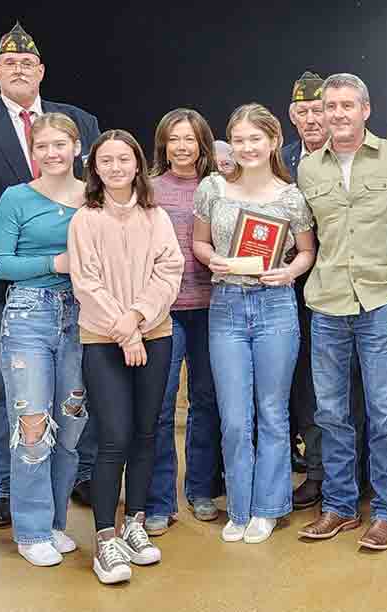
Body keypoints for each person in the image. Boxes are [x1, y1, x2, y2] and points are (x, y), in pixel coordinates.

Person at [0, 22, 100, 525]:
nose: (19, 69)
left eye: (27, 63)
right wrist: (29, 225)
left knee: (74, 390)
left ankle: (72, 475)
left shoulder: (79, 120)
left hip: (79, 290)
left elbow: (101, 191)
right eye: (9, 63)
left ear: (41, 71)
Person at [296, 73, 387, 551]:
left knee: (385, 413)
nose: (339, 114)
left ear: (366, 109)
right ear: (320, 114)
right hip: (327, 304)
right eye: (331, 106)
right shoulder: (308, 170)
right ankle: (340, 506)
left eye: (348, 105)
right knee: (331, 412)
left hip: (382, 300)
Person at [193, 103, 316, 543]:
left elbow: (305, 251)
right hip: (226, 305)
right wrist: (215, 261)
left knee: (272, 412)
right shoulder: (213, 189)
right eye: (239, 139)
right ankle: (239, 508)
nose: (247, 147)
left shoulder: (291, 196)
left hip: (276, 306)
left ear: (273, 141)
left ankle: (268, 507)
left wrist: (290, 272)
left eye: (255, 139)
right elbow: (199, 243)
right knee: (234, 417)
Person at [69, 129, 183, 583]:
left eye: (124, 160)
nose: (116, 168)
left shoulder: (156, 217)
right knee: (113, 436)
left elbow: (169, 270)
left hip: (155, 335)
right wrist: (124, 331)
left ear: (138, 164)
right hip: (103, 340)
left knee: (146, 431)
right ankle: (104, 539)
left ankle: (134, 524)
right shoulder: (85, 219)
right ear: (95, 168)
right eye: (106, 161)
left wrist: (136, 317)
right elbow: (86, 283)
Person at [0, 112, 90, 567]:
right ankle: (29, 531)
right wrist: (54, 263)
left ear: (76, 148)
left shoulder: (94, 198)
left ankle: (54, 522)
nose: (52, 153)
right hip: (30, 316)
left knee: (70, 428)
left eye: (60, 145)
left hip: (83, 319)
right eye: (43, 146)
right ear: (34, 152)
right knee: (33, 428)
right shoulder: (15, 198)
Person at [280, 70, 368, 508]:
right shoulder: (278, 161)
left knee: (352, 388)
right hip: (291, 293)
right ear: (292, 116)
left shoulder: (352, 158)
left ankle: (356, 473)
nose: (313, 118)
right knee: (307, 391)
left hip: (345, 291)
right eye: (305, 111)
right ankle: (318, 472)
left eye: (321, 109)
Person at [144, 109, 223, 535]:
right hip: (163, 313)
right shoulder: (149, 190)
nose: (182, 146)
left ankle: (202, 489)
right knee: (159, 406)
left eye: (190, 139)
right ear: (163, 144)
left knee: (206, 401)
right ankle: (159, 500)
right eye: (174, 138)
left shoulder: (220, 188)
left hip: (213, 309)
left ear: (203, 144)